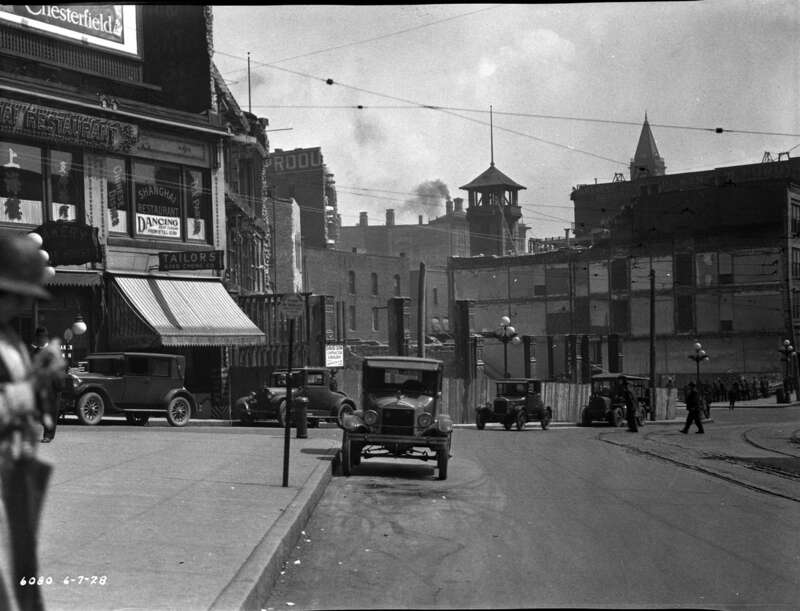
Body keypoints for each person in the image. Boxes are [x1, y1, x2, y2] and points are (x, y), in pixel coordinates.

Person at [0, 231, 63, 611]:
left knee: (21, 576)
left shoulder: (9, 338)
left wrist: (38, 372)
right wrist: (31, 387)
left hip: (13, 471)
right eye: (17, 296)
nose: (23, 306)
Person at [28, 327, 60, 443]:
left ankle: (48, 435)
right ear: (36, 338)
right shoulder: (32, 351)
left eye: (42, 337)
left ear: (46, 338)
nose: (40, 339)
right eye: (38, 337)